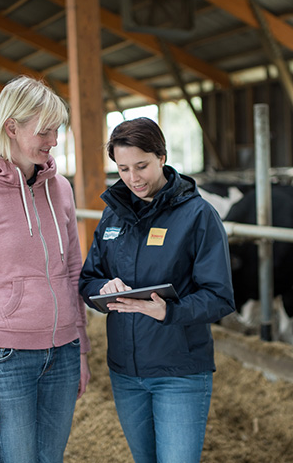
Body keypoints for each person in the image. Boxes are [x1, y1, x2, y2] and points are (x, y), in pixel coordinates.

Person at [0, 75, 91, 463]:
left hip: (63, 352)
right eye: (45, 131)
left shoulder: (61, 188)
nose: (54, 140)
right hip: (5, 357)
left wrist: (82, 351)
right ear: (12, 127)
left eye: (57, 130)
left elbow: (73, 271)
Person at [79, 117, 234, 463]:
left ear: (161, 158)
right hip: (125, 372)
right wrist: (103, 287)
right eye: (122, 169)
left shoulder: (198, 216)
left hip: (179, 373)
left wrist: (170, 311)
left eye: (141, 166)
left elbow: (220, 295)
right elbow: (88, 278)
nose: (133, 178)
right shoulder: (112, 217)